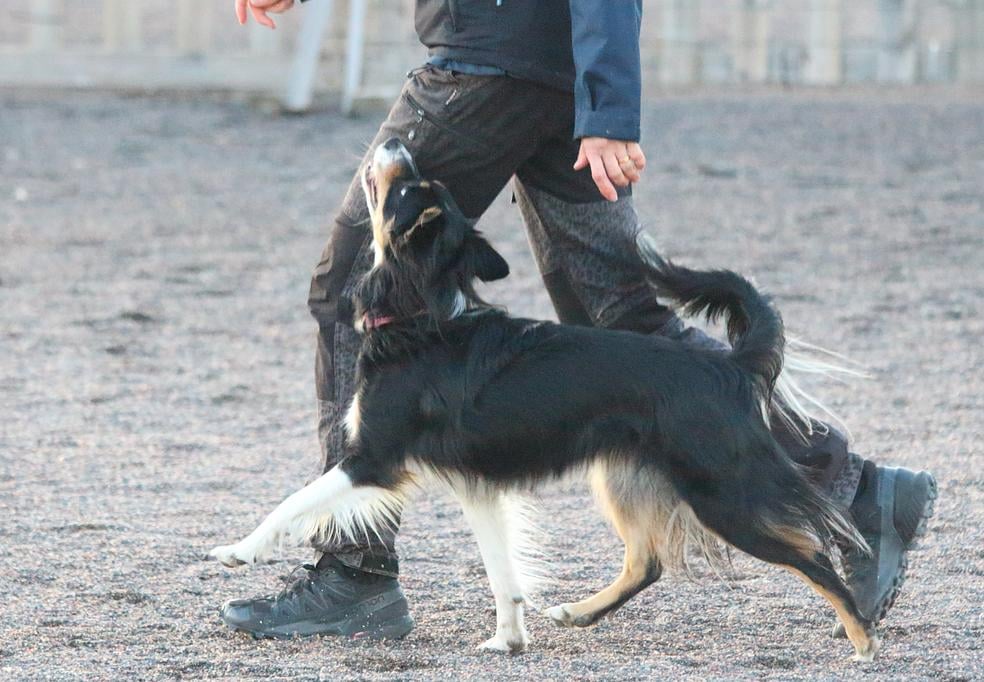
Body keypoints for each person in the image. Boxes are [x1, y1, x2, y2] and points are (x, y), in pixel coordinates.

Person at [220, 0, 936, 641]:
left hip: (493, 59)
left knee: (360, 295)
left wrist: (611, 109)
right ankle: (855, 491)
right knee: (624, 320)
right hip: (552, 69)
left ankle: (354, 576)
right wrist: (598, 100)